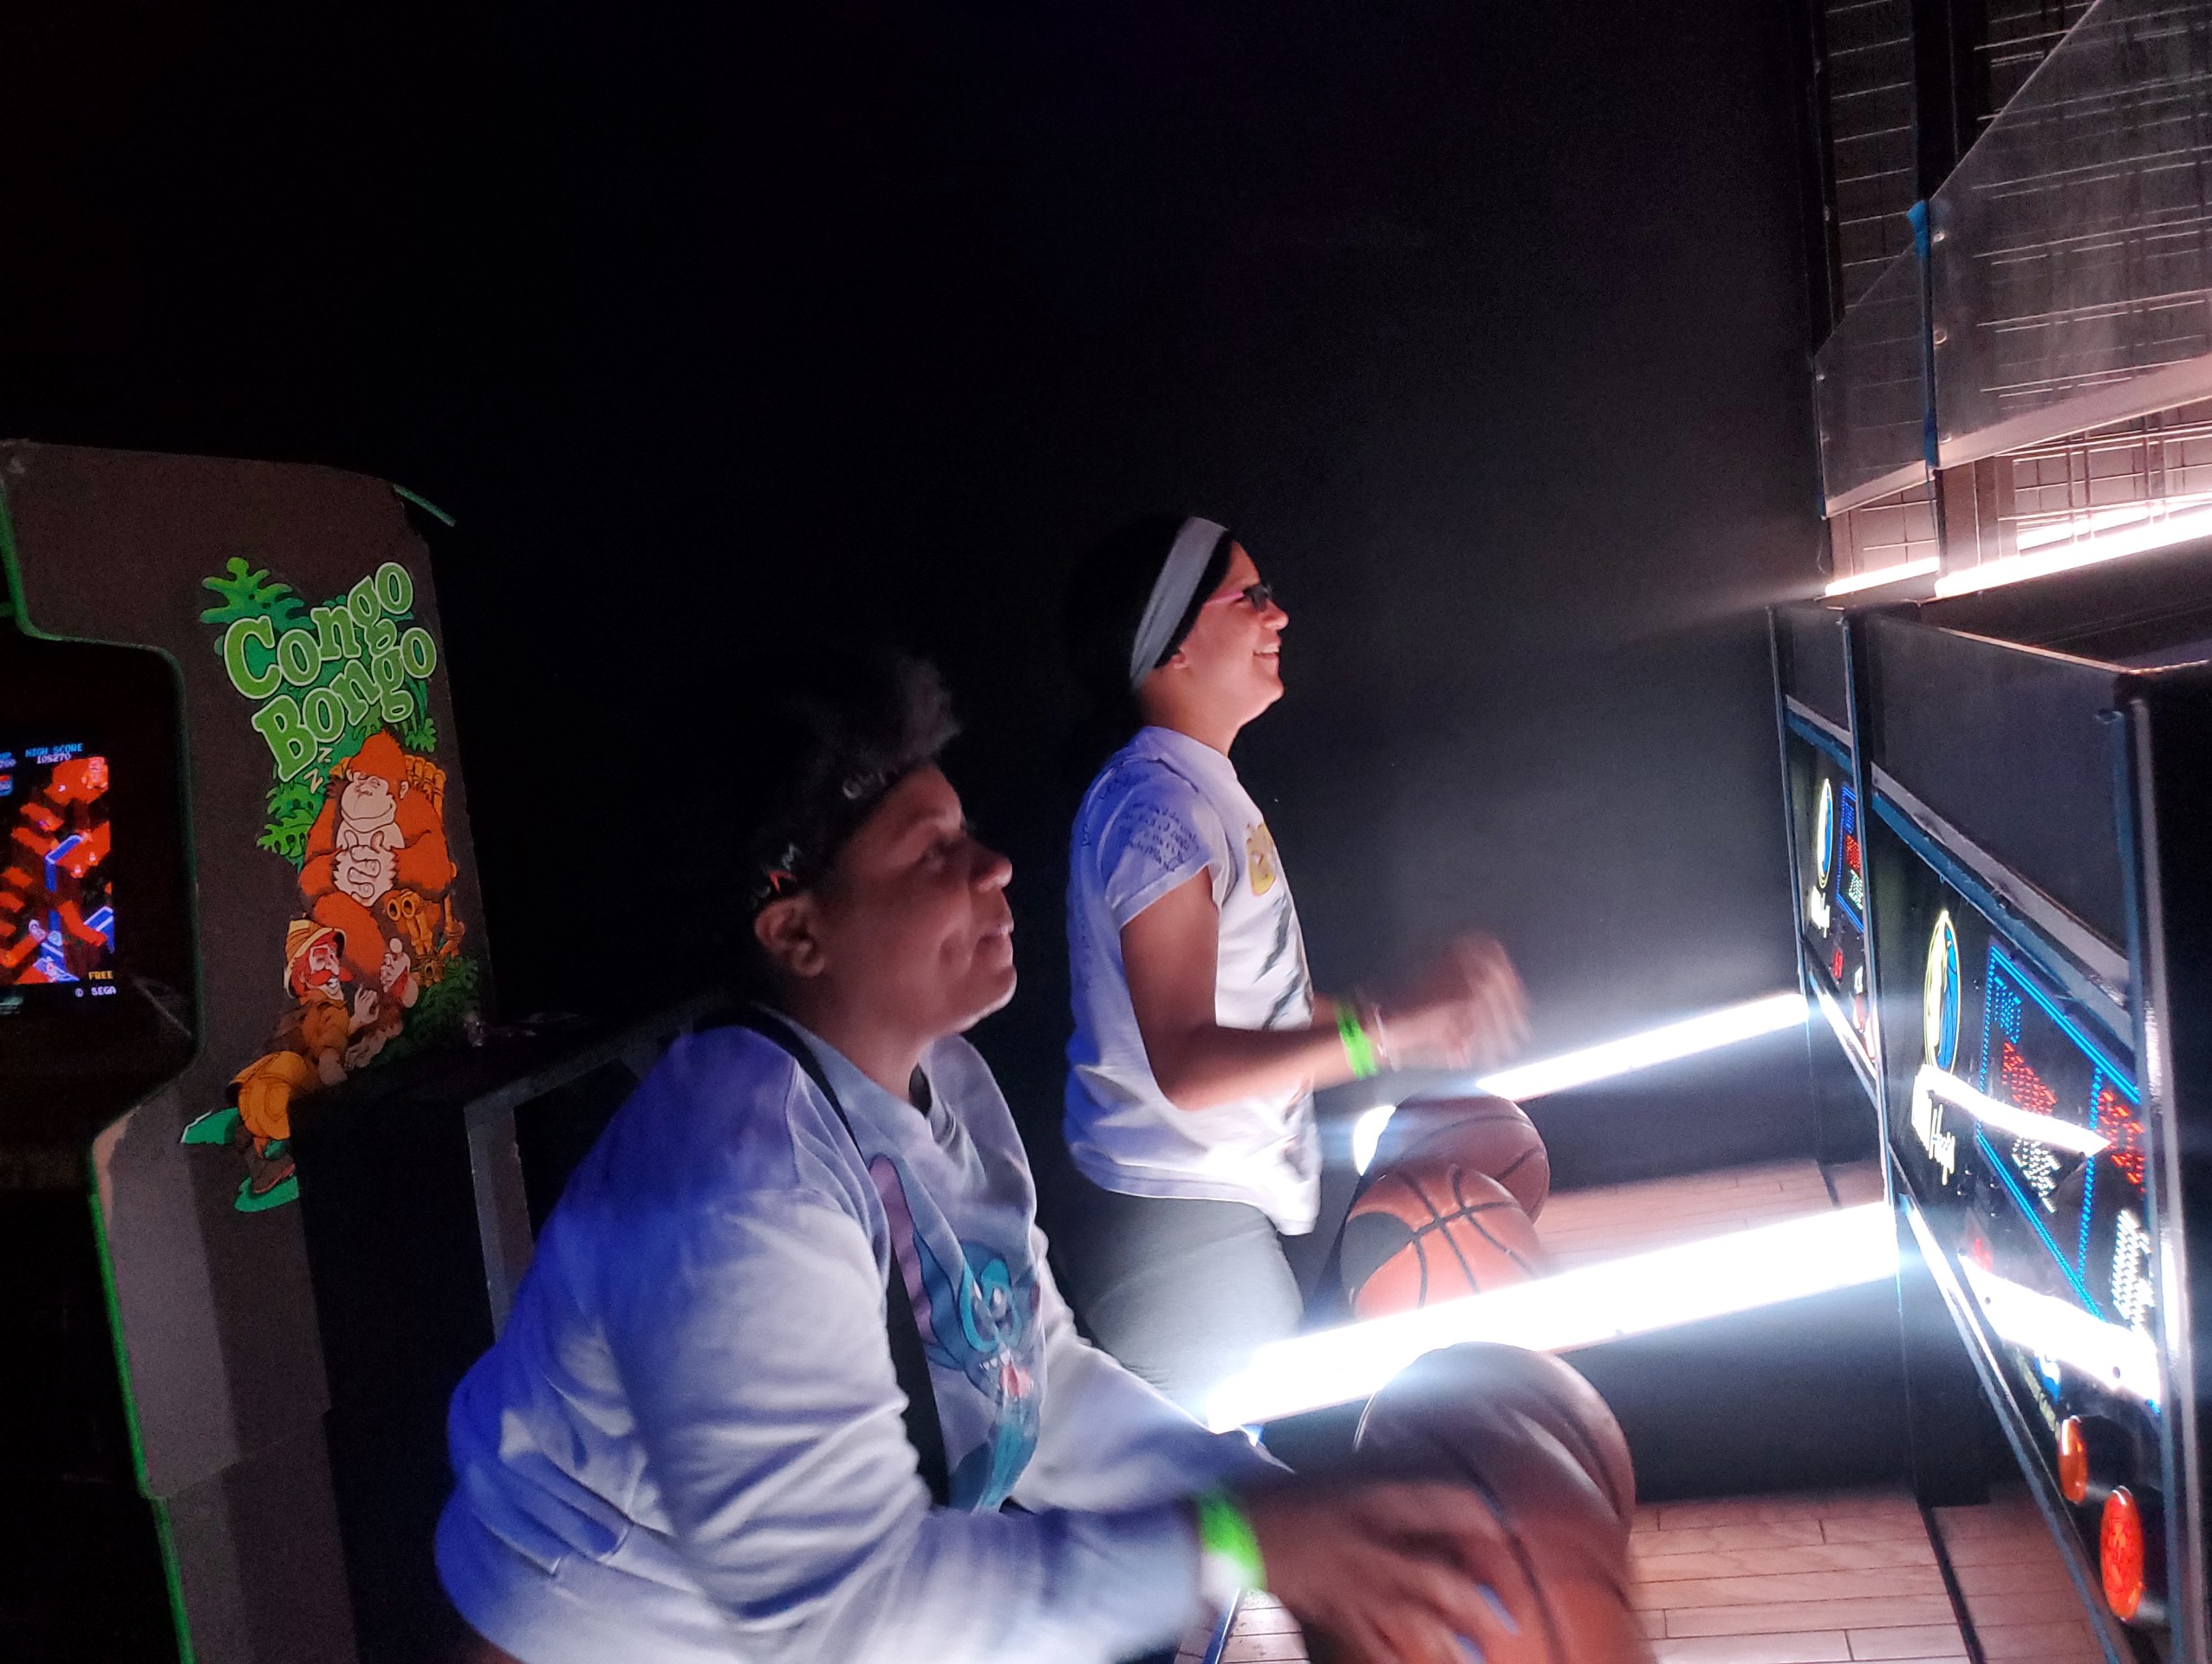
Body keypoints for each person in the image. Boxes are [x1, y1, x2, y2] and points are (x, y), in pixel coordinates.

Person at [436, 648, 1534, 1664]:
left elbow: (1029, 1377)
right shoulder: (740, 1180)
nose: (996, 864)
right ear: (798, 932)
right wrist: (1235, 1541)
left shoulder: (944, 1081)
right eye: (933, 852)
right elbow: (846, 1612)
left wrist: (1267, 1500)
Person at [1058, 515, 1531, 1407]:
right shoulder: (1158, 807)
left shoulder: (1189, 787)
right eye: (1250, 597)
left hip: (1204, 1212)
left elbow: (1248, 1019)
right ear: (1172, 643)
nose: (1276, 616)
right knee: (1241, 1491)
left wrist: (1407, 1016)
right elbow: (1188, 1064)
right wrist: (1382, 1031)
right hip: (1174, 1226)